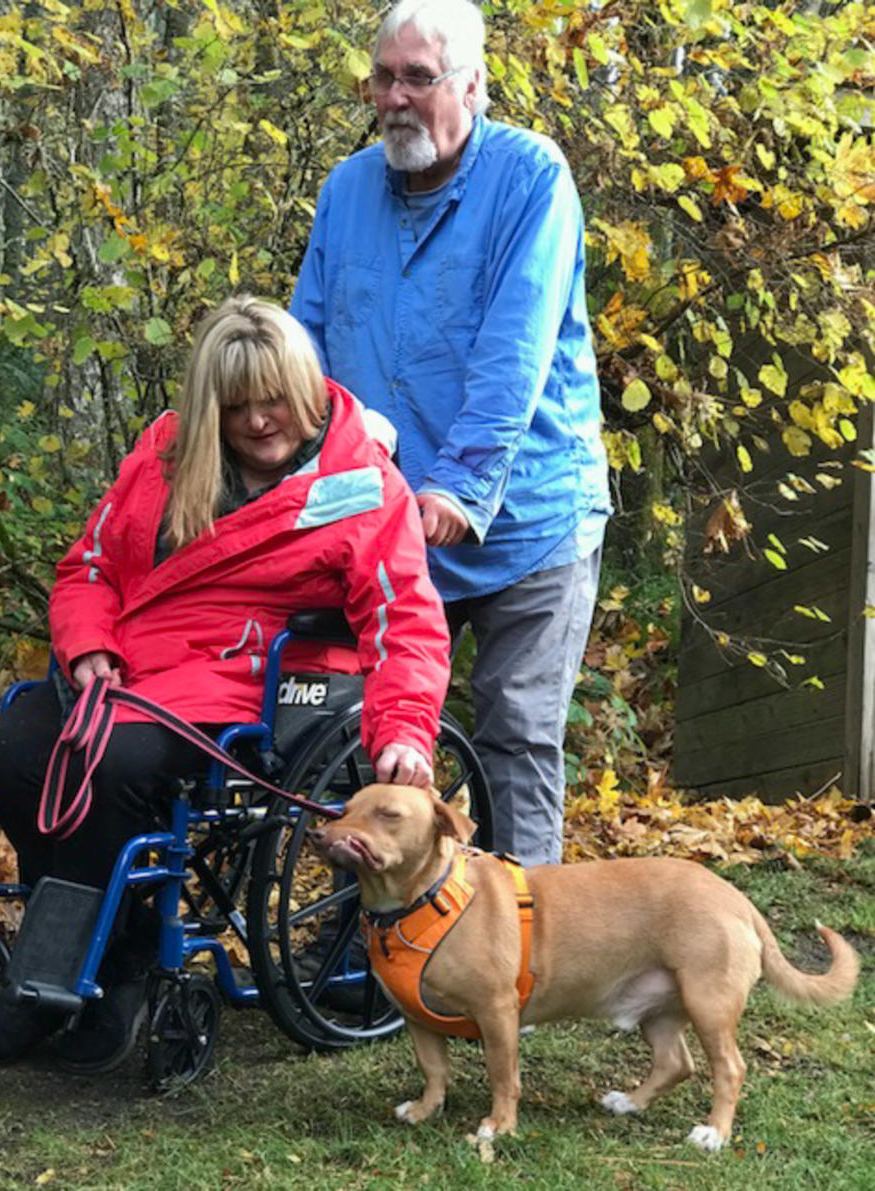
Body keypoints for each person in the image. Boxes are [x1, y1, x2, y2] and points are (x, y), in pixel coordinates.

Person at [0, 295, 451, 1070]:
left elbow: (404, 621)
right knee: (8, 751)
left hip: (249, 683)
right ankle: (110, 951)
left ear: (306, 387)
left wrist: (405, 729)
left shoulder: (362, 485)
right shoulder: (165, 456)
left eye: (274, 399)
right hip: (128, 668)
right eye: (236, 405)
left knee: (110, 767)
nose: (258, 421)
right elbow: (90, 568)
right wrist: (87, 648)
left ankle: (94, 971)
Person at [290, 0, 611, 869]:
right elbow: (305, 350)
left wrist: (461, 487)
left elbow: (515, 353)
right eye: (383, 78)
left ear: (472, 84)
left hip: (526, 517)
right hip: (390, 524)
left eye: (418, 79)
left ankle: (526, 951)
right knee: (373, 721)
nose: (394, 98)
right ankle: (379, 948)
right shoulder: (347, 190)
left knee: (514, 727)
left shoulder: (532, 179)